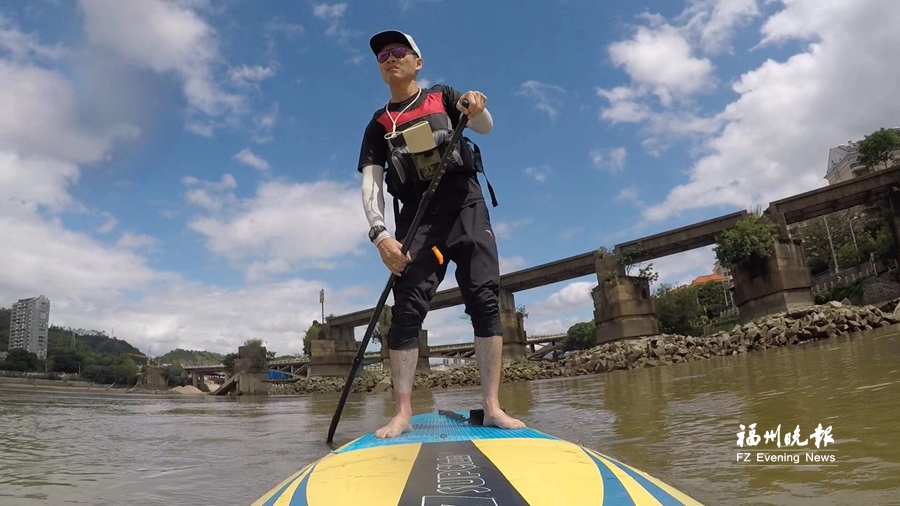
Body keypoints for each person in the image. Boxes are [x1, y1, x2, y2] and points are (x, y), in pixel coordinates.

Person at [357, 30, 526, 438]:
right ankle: (402, 414)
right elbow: (371, 184)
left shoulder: (444, 96)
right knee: (407, 313)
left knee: (485, 299)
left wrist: (475, 104)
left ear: (418, 61)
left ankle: (491, 406)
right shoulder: (378, 125)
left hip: (465, 206)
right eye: (383, 54)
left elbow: (483, 126)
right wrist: (380, 235)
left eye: (399, 51)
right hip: (417, 220)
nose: (390, 57)